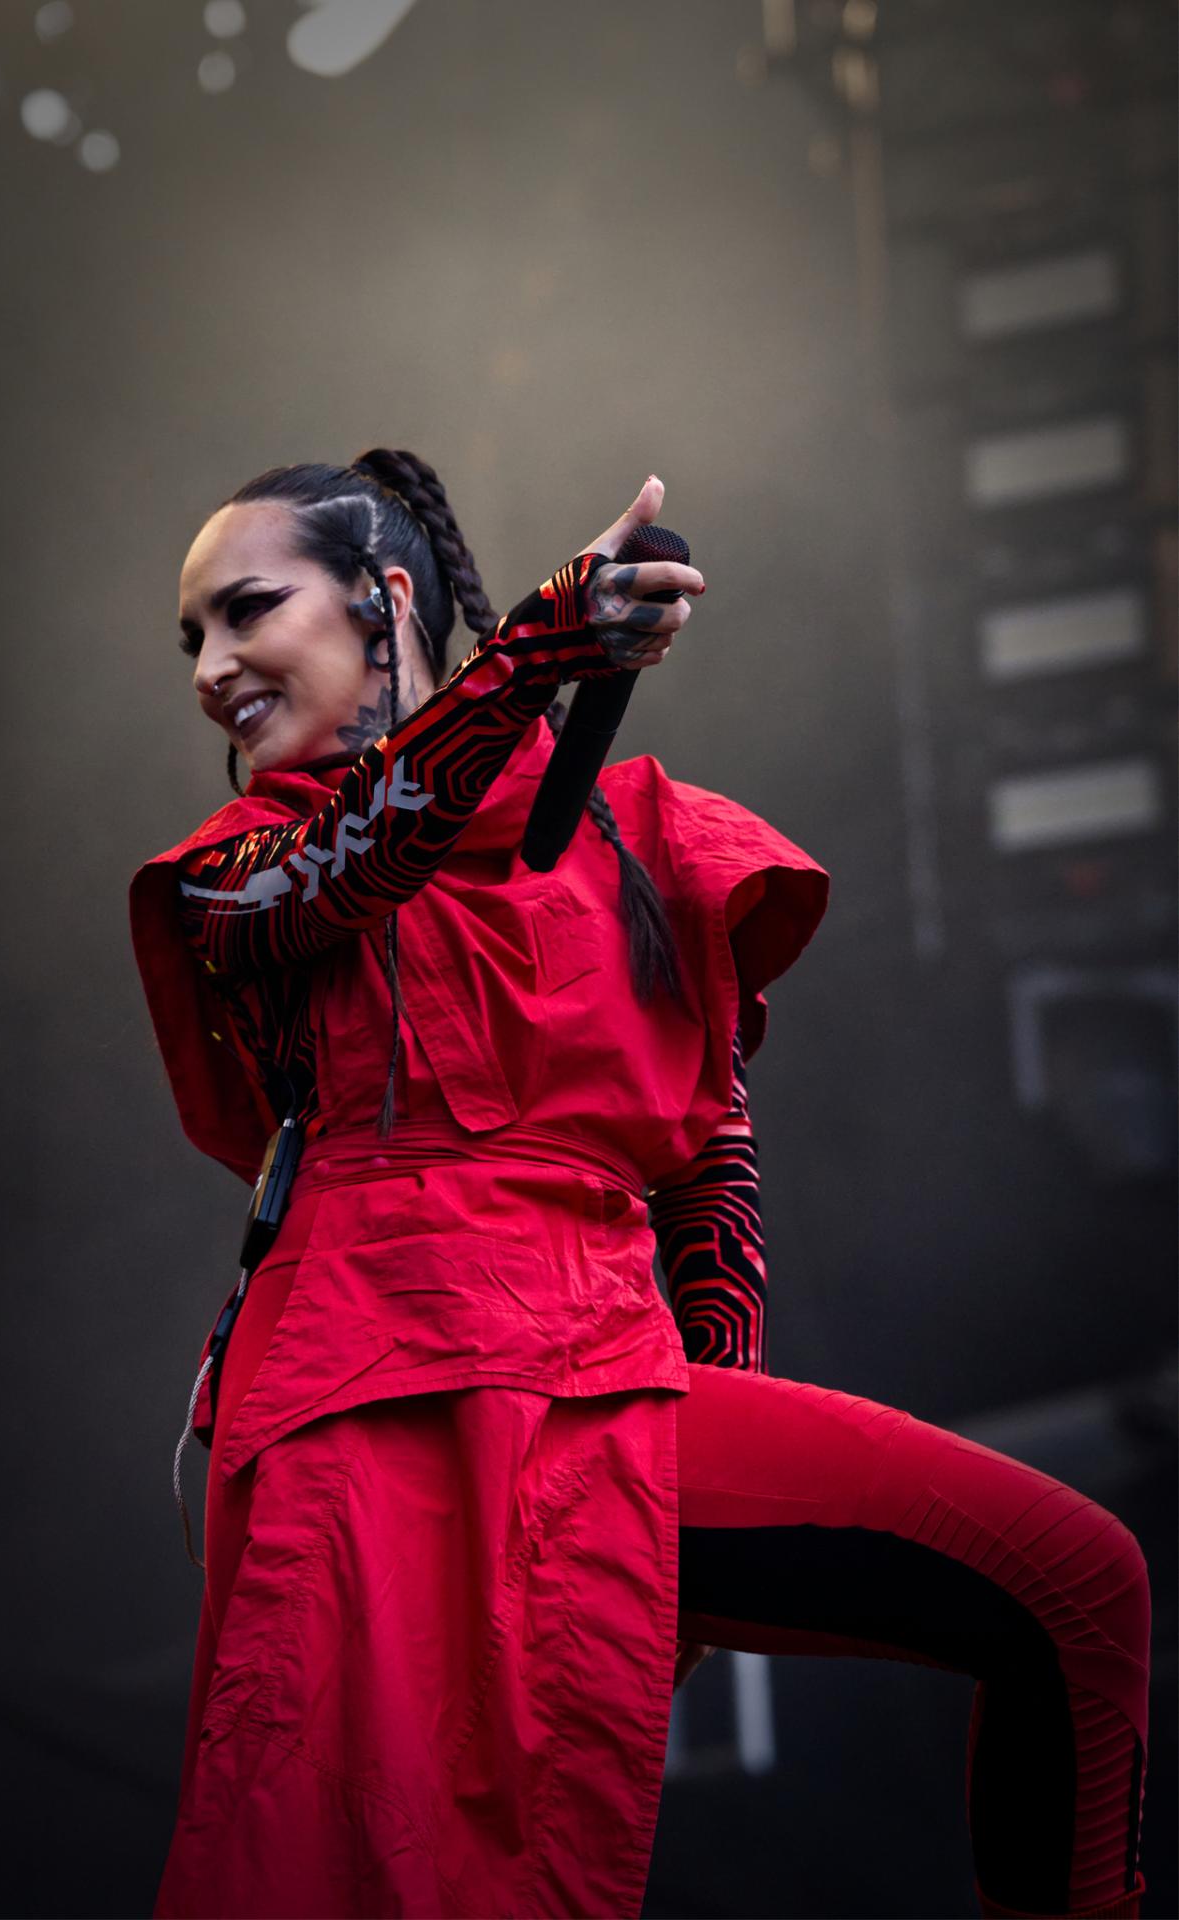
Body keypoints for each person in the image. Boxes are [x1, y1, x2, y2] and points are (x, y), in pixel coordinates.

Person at [130, 451, 1150, 1920]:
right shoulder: (237, 868)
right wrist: (542, 650)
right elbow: (365, 855)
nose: (211, 668)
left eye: (245, 611)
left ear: (383, 596)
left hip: (610, 1386)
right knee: (378, 1872)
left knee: (1076, 1585)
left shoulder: (642, 834)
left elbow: (709, 1169)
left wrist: (693, 1458)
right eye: (193, 639)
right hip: (375, 1387)